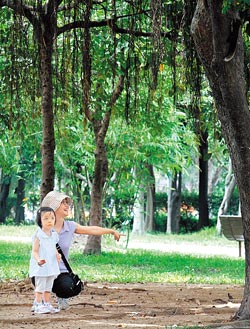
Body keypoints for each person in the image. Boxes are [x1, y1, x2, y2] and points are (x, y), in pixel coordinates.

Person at [41, 190, 124, 310]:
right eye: (62, 203)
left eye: (67, 202)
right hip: (44, 271)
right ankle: (41, 300)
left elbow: (92, 230)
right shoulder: (43, 229)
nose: (67, 205)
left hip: (61, 273)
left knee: (71, 286)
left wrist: (111, 231)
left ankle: (62, 296)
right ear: (53, 207)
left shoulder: (70, 226)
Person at [29, 207, 61, 314]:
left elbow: (54, 247)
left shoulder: (54, 235)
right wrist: (38, 260)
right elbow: (34, 251)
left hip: (51, 265)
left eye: (52, 218)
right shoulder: (39, 235)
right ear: (40, 221)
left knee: (48, 287)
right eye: (46, 218)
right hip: (41, 266)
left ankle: (46, 304)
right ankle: (38, 304)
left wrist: (57, 255)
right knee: (40, 286)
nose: (49, 221)